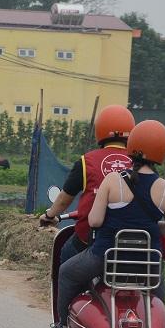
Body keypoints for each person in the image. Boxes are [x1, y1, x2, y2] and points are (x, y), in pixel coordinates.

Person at [40, 120, 165, 328]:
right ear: (163, 151)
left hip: (106, 258)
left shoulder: (113, 180)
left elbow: (95, 221)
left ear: (132, 146)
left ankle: (63, 327)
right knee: (157, 296)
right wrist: (150, 226)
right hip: (147, 265)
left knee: (66, 272)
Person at [39, 105, 135, 266]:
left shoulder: (86, 161)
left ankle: (65, 291)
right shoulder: (141, 164)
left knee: (66, 259)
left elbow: (64, 199)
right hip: (132, 242)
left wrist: (49, 216)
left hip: (91, 241)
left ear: (100, 130)